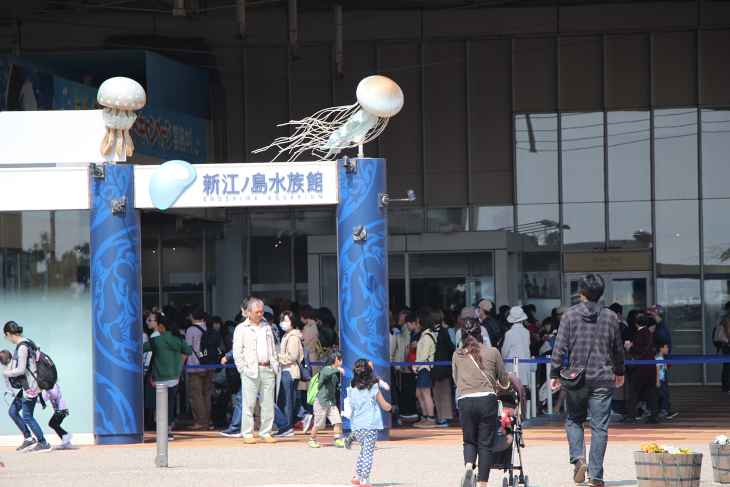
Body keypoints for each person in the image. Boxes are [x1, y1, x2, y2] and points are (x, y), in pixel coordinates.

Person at [550, 273, 624, 487]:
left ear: (581, 293)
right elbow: (617, 349)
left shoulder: (570, 315)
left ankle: (579, 459)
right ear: (600, 293)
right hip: (602, 377)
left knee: (574, 419)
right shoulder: (611, 316)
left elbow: (559, 347)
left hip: (576, 379)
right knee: (599, 427)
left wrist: (555, 373)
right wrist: (619, 372)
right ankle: (596, 476)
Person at [453, 318, 510, 487]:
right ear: (482, 334)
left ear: (461, 337)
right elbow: (504, 379)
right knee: (485, 445)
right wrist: (502, 385)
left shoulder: (457, 354)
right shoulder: (492, 352)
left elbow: (456, 380)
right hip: (487, 399)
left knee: (469, 440)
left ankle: (469, 467)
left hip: (465, 401)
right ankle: (482, 484)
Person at [233, 296, 281, 444]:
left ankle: (265, 432)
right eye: (256, 312)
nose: (260, 314)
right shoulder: (241, 328)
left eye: (261, 311)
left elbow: (272, 348)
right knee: (249, 403)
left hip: (268, 368)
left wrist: (275, 363)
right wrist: (243, 368)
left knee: (268, 403)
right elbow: (237, 351)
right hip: (250, 369)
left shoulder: (267, 326)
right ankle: (247, 433)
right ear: (247, 311)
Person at [2, 321, 51, 453]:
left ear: (8, 334)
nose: (8, 339)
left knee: (27, 416)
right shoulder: (25, 342)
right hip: (26, 386)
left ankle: (43, 443)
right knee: (13, 411)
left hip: (30, 387)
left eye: (6, 337)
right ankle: (29, 438)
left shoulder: (22, 346)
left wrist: (7, 373)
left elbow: (21, 369)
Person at [142, 314, 193, 441]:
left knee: (160, 405)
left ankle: (162, 431)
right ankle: (169, 430)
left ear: (162, 326)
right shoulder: (178, 339)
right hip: (174, 377)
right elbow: (189, 351)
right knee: (169, 404)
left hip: (159, 378)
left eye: (158, 325)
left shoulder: (156, 340)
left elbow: (141, 348)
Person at [346, 359, 396, 487]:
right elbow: (384, 405)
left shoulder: (351, 389)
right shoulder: (374, 389)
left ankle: (357, 475)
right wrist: (392, 409)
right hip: (370, 425)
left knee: (363, 450)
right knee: (368, 453)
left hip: (357, 425)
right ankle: (364, 479)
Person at [621, 312, 659, 426]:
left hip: (642, 366)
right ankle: (655, 416)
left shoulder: (639, 332)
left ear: (636, 322)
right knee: (650, 392)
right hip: (650, 365)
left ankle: (631, 416)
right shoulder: (648, 332)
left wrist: (629, 346)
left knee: (633, 391)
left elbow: (638, 349)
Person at [185, 305, 215, 430]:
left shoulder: (191, 329)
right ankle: (207, 419)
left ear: (191, 316)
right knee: (206, 394)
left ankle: (201, 421)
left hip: (195, 366)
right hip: (210, 365)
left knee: (196, 394)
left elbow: (186, 348)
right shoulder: (209, 328)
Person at [309, 347, 345, 448]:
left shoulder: (333, 373)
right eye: (341, 360)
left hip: (330, 402)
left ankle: (337, 439)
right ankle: (312, 439)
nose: (342, 362)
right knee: (318, 424)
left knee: (337, 420)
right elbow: (326, 374)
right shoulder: (326, 370)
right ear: (337, 359)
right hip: (321, 401)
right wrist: (337, 369)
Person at [278, 310, 304, 428]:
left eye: (286, 321)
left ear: (293, 321)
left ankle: (288, 424)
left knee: (287, 401)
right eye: (282, 321)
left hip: (290, 370)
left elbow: (292, 356)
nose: (284, 323)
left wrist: (277, 358)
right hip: (288, 370)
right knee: (288, 399)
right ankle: (295, 419)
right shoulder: (287, 335)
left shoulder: (292, 337)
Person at [430, 308, 454, 428]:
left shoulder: (442, 331)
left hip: (442, 366)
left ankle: (445, 417)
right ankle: (441, 416)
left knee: (443, 392)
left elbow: (449, 348)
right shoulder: (436, 331)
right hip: (439, 366)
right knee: (437, 392)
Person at [412, 310, 437, 428]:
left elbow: (423, 354)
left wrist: (415, 366)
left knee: (425, 394)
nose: (417, 323)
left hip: (425, 367)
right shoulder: (427, 334)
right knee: (419, 393)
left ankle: (430, 419)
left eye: (417, 321)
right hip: (424, 367)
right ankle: (425, 417)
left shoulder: (427, 336)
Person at [501, 307, 531, 387]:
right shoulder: (526, 332)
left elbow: (504, 352)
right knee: (523, 388)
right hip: (525, 363)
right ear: (522, 319)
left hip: (511, 364)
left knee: (513, 388)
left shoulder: (509, 333)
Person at [44, 383, 74, 449]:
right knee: (56, 425)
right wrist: (33, 398)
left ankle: (66, 434)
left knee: (52, 424)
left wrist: (46, 389)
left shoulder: (54, 385)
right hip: (58, 411)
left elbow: (54, 395)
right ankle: (66, 443)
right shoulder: (48, 389)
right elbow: (44, 399)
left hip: (61, 409)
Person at [654, 340, 676, 419]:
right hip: (660, 380)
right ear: (661, 348)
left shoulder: (658, 358)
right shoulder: (659, 358)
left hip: (659, 380)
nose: (667, 349)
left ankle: (651, 410)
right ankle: (663, 411)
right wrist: (657, 380)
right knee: (666, 395)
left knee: (656, 396)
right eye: (666, 347)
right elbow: (657, 370)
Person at [720, 301, 730, 394]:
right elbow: (727, 332)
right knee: (727, 367)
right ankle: (727, 387)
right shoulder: (726, 319)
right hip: (727, 345)